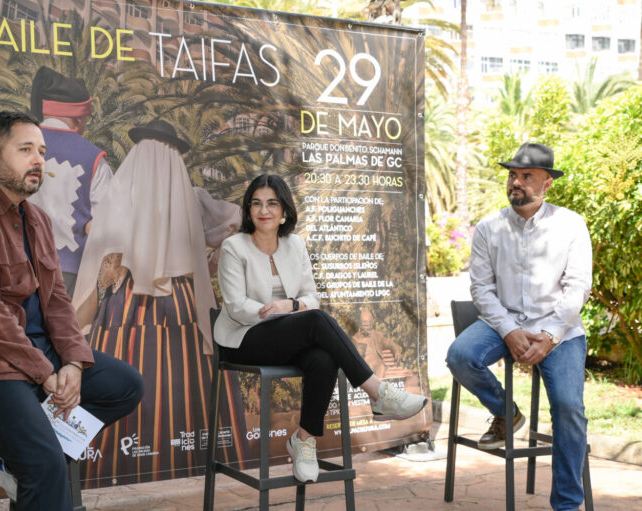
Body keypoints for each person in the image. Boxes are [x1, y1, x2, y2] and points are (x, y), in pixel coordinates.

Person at [0, 111, 143, 510]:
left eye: (41, 151)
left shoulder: (34, 218)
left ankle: (16, 466)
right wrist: (46, 372)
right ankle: (34, 467)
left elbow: (56, 301)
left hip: (33, 355)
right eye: (25, 150)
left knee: (124, 385)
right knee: (44, 465)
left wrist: (72, 360)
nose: (39, 160)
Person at [214, 174, 428, 483]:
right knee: (316, 321)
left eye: (272, 203)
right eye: (256, 203)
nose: (264, 210)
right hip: (245, 337)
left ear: (284, 210)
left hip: (289, 333)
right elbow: (235, 305)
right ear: (248, 210)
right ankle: (377, 393)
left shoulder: (294, 244)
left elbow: (311, 297)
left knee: (323, 358)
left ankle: (304, 440)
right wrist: (282, 315)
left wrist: (290, 307)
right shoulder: (234, 247)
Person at [71, 119, 246, 483]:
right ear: (175, 157)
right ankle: (189, 463)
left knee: (117, 373)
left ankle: (110, 466)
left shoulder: (120, 197)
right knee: (185, 379)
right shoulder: (191, 199)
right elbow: (234, 221)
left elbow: (98, 258)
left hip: (124, 304)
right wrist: (208, 255)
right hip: (181, 301)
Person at [445, 142, 592, 511]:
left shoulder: (571, 225)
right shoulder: (489, 228)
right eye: (513, 175)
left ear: (547, 185)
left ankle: (568, 505)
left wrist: (550, 336)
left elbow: (577, 289)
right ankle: (506, 412)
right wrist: (509, 330)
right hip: (501, 321)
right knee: (460, 355)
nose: (517, 182)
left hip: (560, 330)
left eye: (527, 176)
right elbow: (481, 288)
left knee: (569, 407)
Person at [27, 66, 112, 296]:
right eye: (86, 119)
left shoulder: (11, 145)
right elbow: (107, 223)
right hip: (67, 272)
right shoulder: (93, 158)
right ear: (78, 118)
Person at [352, 307, 403, 376]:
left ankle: (378, 385)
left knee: (382, 367)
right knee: (369, 368)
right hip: (366, 367)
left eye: (369, 322)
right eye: (365, 322)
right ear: (360, 323)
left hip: (379, 366)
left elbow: (389, 343)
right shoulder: (355, 338)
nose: (367, 324)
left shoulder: (378, 335)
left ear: (372, 322)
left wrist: (396, 350)